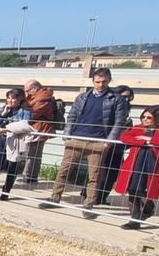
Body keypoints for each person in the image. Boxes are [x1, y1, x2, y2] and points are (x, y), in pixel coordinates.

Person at [40, 67, 129, 218]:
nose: (100, 85)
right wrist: (67, 135)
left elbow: (119, 122)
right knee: (64, 171)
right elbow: (72, 116)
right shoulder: (82, 97)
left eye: (104, 82)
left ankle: (89, 204)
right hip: (76, 138)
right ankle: (55, 197)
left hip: (98, 141)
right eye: (97, 82)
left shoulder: (116, 99)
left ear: (109, 80)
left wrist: (108, 142)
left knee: (94, 175)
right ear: (93, 81)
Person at [113, 105, 159, 228]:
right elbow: (124, 137)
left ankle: (148, 208)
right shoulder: (138, 128)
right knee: (133, 190)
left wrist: (150, 140)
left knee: (149, 191)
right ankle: (134, 220)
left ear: (158, 118)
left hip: (153, 166)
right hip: (135, 164)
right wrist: (142, 141)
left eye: (149, 117)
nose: (145, 119)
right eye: (143, 116)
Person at [0, 88, 34, 201]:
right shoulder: (4, 109)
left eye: (13, 98)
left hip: (15, 141)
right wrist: (3, 115)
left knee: (12, 167)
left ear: (20, 99)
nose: (10, 101)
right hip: (1, 139)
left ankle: (6, 191)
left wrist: (7, 129)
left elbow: (25, 126)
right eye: (8, 98)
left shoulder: (25, 111)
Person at [93, 85, 135, 204]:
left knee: (113, 172)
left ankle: (102, 196)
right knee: (99, 170)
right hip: (105, 142)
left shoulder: (126, 109)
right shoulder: (109, 105)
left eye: (128, 98)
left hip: (118, 146)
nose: (125, 100)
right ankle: (91, 194)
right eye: (123, 96)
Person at [22, 79, 60, 187]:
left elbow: (32, 114)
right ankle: (32, 177)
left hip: (40, 129)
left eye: (27, 90)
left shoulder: (42, 99)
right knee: (35, 153)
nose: (26, 93)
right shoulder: (41, 96)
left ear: (34, 88)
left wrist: (23, 109)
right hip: (39, 128)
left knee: (31, 152)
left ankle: (28, 176)